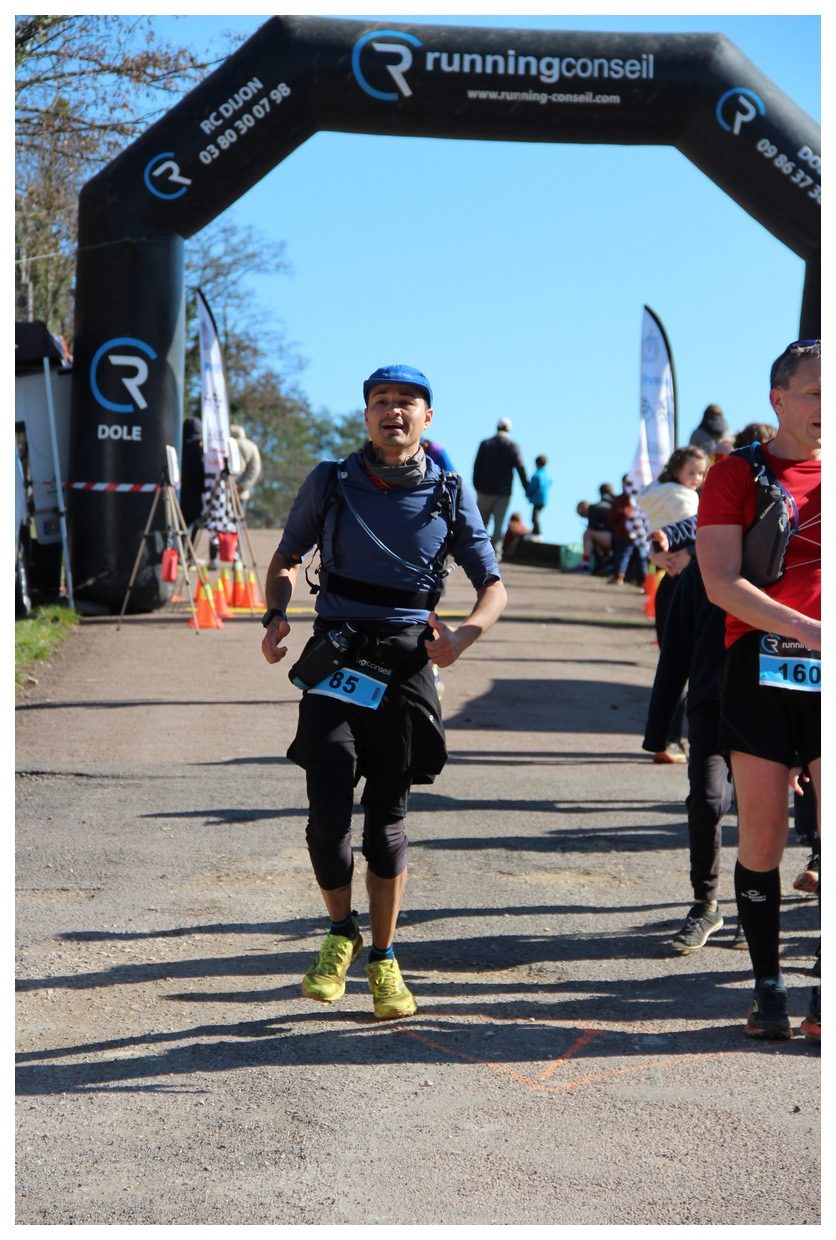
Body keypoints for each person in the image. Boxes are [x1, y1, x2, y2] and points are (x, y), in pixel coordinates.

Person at [260, 364, 507, 1021]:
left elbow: (493, 586)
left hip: (404, 666)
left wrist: (465, 636)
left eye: (406, 402)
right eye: (380, 401)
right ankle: (340, 932)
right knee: (327, 811)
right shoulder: (330, 481)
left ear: (428, 417)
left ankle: (384, 957)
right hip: (337, 657)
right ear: (366, 414)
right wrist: (275, 613)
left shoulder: (449, 492)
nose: (392, 410)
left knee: (387, 821)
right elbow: (285, 560)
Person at [697, 339, 820, 1041]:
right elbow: (720, 582)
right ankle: (768, 984)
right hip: (759, 665)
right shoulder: (735, 472)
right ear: (778, 398)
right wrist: (808, 629)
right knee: (765, 833)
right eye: (815, 392)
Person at [639, 447, 709, 763]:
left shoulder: (654, 495)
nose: (697, 479)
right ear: (676, 469)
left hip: (668, 581)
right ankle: (670, 739)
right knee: (686, 664)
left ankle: (664, 738)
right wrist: (689, 553)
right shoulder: (685, 499)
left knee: (671, 662)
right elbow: (700, 529)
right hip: (691, 582)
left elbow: (655, 539)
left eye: (701, 473)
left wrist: (657, 554)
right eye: (692, 472)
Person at [472, 418, 529, 554]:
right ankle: (495, 554)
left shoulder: (485, 444)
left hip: (484, 490)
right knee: (499, 525)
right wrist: (526, 488)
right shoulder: (513, 446)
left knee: (481, 523)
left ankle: (476, 552)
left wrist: (477, 485)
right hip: (503, 493)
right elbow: (520, 468)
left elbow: (477, 466)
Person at [606, 474, 649, 586]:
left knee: (638, 556)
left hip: (635, 533)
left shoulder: (635, 498)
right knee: (631, 556)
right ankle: (623, 577)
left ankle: (642, 580)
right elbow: (611, 517)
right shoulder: (623, 499)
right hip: (628, 533)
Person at [574, 486, 614, 573]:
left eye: (582, 514)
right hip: (617, 537)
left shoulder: (593, 509)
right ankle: (601, 564)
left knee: (588, 534)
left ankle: (585, 566)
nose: (583, 516)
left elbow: (592, 528)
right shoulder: (604, 504)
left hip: (616, 538)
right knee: (593, 536)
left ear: (584, 507)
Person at [229, 423, 262, 514]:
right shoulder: (252, 446)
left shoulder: (229, 444)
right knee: (237, 518)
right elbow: (255, 470)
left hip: (226, 489)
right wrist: (243, 486)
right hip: (241, 491)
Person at [526, 455, 551, 537]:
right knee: (535, 517)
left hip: (537, 500)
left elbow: (532, 486)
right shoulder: (546, 475)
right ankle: (535, 532)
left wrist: (528, 493)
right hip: (544, 500)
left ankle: (538, 534)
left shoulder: (537, 475)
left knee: (534, 518)